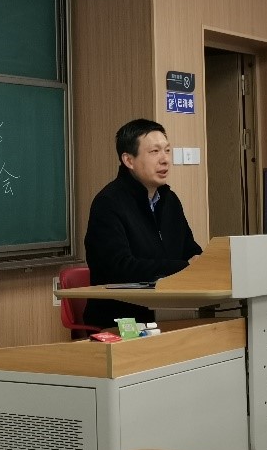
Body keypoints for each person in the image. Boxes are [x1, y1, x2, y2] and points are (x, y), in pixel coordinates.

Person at [83, 118, 202, 330]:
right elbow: (119, 268)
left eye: (167, 150)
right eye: (155, 152)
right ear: (129, 160)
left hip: (171, 311)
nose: (165, 160)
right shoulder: (108, 203)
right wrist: (185, 267)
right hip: (122, 319)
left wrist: (202, 263)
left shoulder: (170, 200)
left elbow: (190, 250)